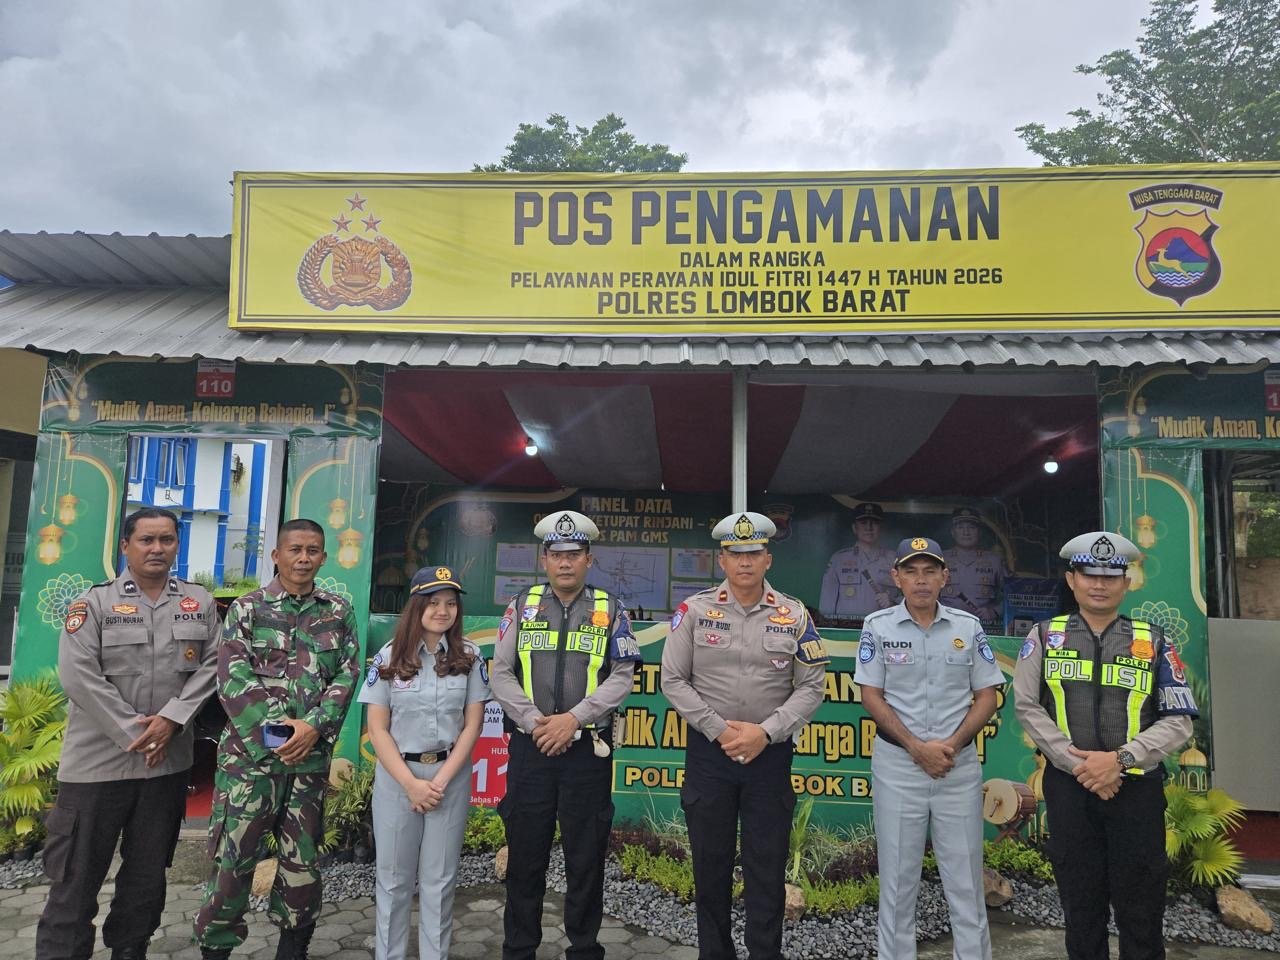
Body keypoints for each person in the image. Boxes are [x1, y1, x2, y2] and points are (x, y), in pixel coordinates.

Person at [36, 507, 219, 960]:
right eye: (146, 540)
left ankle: (130, 950)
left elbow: (215, 666)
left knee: (146, 877)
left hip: (166, 768)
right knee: (75, 880)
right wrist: (136, 734)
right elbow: (78, 676)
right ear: (125, 546)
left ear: (178, 545)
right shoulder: (92, 604)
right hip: (96, 768)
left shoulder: (199, 602)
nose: (157, 549)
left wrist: (172, 719)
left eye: (167, 540)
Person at [1013, 532, 1197, 960]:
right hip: (1069, 789)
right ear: (1071, 579)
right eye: (1087, 574)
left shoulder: (1153, 641)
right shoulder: (1044, 636)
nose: (1099, 584)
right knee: (1080, 905)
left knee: (1142, 908)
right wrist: (1079, 764)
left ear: (1127, 582)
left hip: (1136, 789)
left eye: (1110, 576)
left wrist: (1120, 760)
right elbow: (1026, 705)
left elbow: (1179, 719)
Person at [662, 511, 829, 960]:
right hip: (709, 756)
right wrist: (720, 731)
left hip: (769, 759)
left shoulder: (794, 615)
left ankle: (765, 954)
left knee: (767, 866)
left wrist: (765, 733)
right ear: (722, 560)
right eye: (736, 554)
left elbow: (812, 686)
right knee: (710, 865)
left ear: (768, 559)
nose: (745, 563)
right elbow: (673, 680)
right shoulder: (694, 611)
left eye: (753, 553)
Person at [194, 519, 362, 960]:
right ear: (276, 555)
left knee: (302, 865)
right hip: (249, 767)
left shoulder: (338, 612)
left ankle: (293, 949)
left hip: (308, 763)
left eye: (313, 550)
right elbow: (232, 678)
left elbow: (347, 674)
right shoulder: (248, 609)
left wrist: (313, 727)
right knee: (233, 863)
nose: (304, 557)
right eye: (295, 549)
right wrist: (281, 734)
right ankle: (216, 947)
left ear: (323, 557)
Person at [489, 510, 642, 960]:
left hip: (586, 752)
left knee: (586, 858)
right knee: (524, 857)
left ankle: (584, 948)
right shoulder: (522, 605)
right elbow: (499, 671)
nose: (565, 563)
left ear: (589, 560)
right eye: (557, 555)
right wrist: (539, 723)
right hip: (532, 748)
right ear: (544, 559)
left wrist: (572, 719)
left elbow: (622, 676)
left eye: (574, 554)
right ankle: (519, 950)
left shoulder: (611, 609)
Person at [855, 536, 1003, 960]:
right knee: (899, 883)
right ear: (896, 577)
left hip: (956, 768)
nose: (921, 580)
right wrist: (917, 748)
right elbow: (871, 697)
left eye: (930, 571)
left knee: (966, 882)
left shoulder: (967, 627)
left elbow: (988, 697)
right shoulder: (878, 626)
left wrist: (949, 747)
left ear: (945, 576)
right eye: (912, 571)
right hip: (899, 766)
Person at [359, 565, 489, 960]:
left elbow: (472, 726)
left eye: (450, 603)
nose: (442, 611)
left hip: (449, 777)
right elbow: (378, 730)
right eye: (433, 603)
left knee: (440, 880)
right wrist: (412, 784)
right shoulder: (389, 656)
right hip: (398, 780)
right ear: (416, 607)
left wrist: (440, 781)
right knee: (394, 882)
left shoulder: (469, 656)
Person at [818, 501, 899, 621]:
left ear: (881, 528)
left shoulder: (894, 559)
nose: (869, 527)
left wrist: (893, 603)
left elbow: (910, 598)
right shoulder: (839, 559)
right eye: (863, 522)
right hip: (846, 630)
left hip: (883, 630)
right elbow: (827, 603)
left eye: (874, 522)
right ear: (854, 528)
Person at [941, 506, 1011, 631]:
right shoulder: (940, 559)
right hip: (944, 625)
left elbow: (1012, 593)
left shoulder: (994, 561)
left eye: (971, 528)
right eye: (960, 527)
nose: (966, 532)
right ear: (953, 532)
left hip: (982, 627)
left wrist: (994, 612)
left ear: (979, 532)